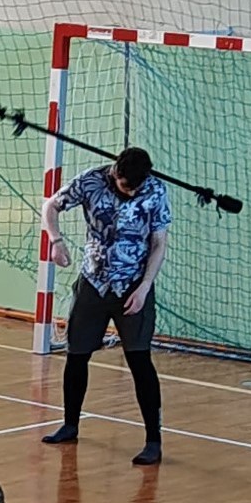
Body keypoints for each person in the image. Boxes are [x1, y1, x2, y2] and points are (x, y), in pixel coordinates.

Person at [40, 146, 169, 466]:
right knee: (77, 355)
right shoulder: (91, 181)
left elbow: (159, 243)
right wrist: (56, 241)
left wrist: (145, 287)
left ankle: (153, 440)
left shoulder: (155, 191)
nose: (131, 192)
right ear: (116, 172)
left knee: (139, 361)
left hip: (133, 287)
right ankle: (70, 424)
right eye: (126, 186)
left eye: (136, 188)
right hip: (93, 283)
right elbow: (50, 206)